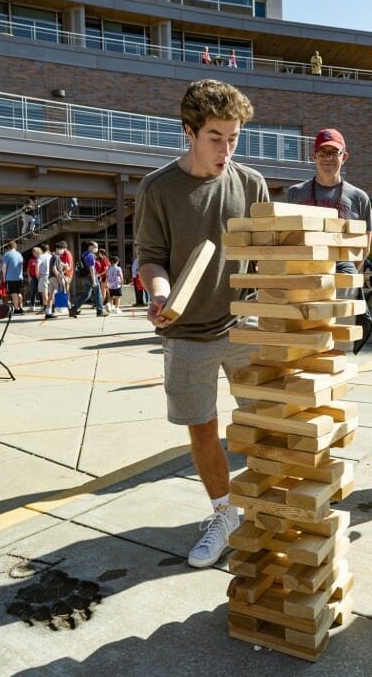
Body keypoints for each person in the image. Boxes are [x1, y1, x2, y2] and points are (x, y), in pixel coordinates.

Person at [136, 78, 270, 568]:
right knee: (202, 427)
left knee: (265, 423)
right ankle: (223, 513)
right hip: (186, 331)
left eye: (234, 138)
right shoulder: (157, 188)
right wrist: (160, 292)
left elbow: (266, 254)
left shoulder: (250, 183)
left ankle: (264, 506)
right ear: (188, 131)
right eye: (216, 138)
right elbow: (150, 258)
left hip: (245, 323)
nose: (227, 150)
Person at [286, 127, 372, 343]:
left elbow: (365, 246)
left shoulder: (359, 197)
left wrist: (346, 279)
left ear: (344, 157)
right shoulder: (295, 193)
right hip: (303, 279)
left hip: (341, 280)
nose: (328, 158)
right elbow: (286, 237)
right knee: (303, 340)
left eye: (334, 152)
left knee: (338, 344)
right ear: (313, 156)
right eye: (323, 152)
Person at [68, 241, 105, 318]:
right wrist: (94, 280)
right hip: (91, 277)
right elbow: (91, 268)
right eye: (95, 247)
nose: (97, 249)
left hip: (84, 277)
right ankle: (100, 311)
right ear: (90, 246)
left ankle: (73, 309)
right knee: (98, 293)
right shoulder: (91, 255)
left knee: (86, 294)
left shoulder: (84, 254)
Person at [1, 240, 25, 315]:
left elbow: (4, 267)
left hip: (10, 277)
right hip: (19, 277)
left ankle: (16, 309)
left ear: (8, 247)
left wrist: (4, 277)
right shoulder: (19, 254)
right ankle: (21, 308)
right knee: (19, 293)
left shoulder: (7, 254)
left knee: (13, 293)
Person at [95, 248, 112, 312]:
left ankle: (101, 304)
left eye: (99, 253)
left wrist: (99, 275)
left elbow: (105, 270)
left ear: (100, 254)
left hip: (105, 277)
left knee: (103, 292)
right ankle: (110, 304)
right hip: (106, 277)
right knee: (107, 291)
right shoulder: (106, 260)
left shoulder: (104, 260)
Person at [25, 246, 41, 312]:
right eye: (33, 252)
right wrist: (29, 277)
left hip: (40, 277)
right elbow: (28, 270)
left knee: (41, 291)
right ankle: (32, 305)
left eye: (34, 251)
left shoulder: (41, 259)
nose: (33, 253)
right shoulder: (31, 260)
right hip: (33, 277)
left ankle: (43, 305)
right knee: (32, 291)